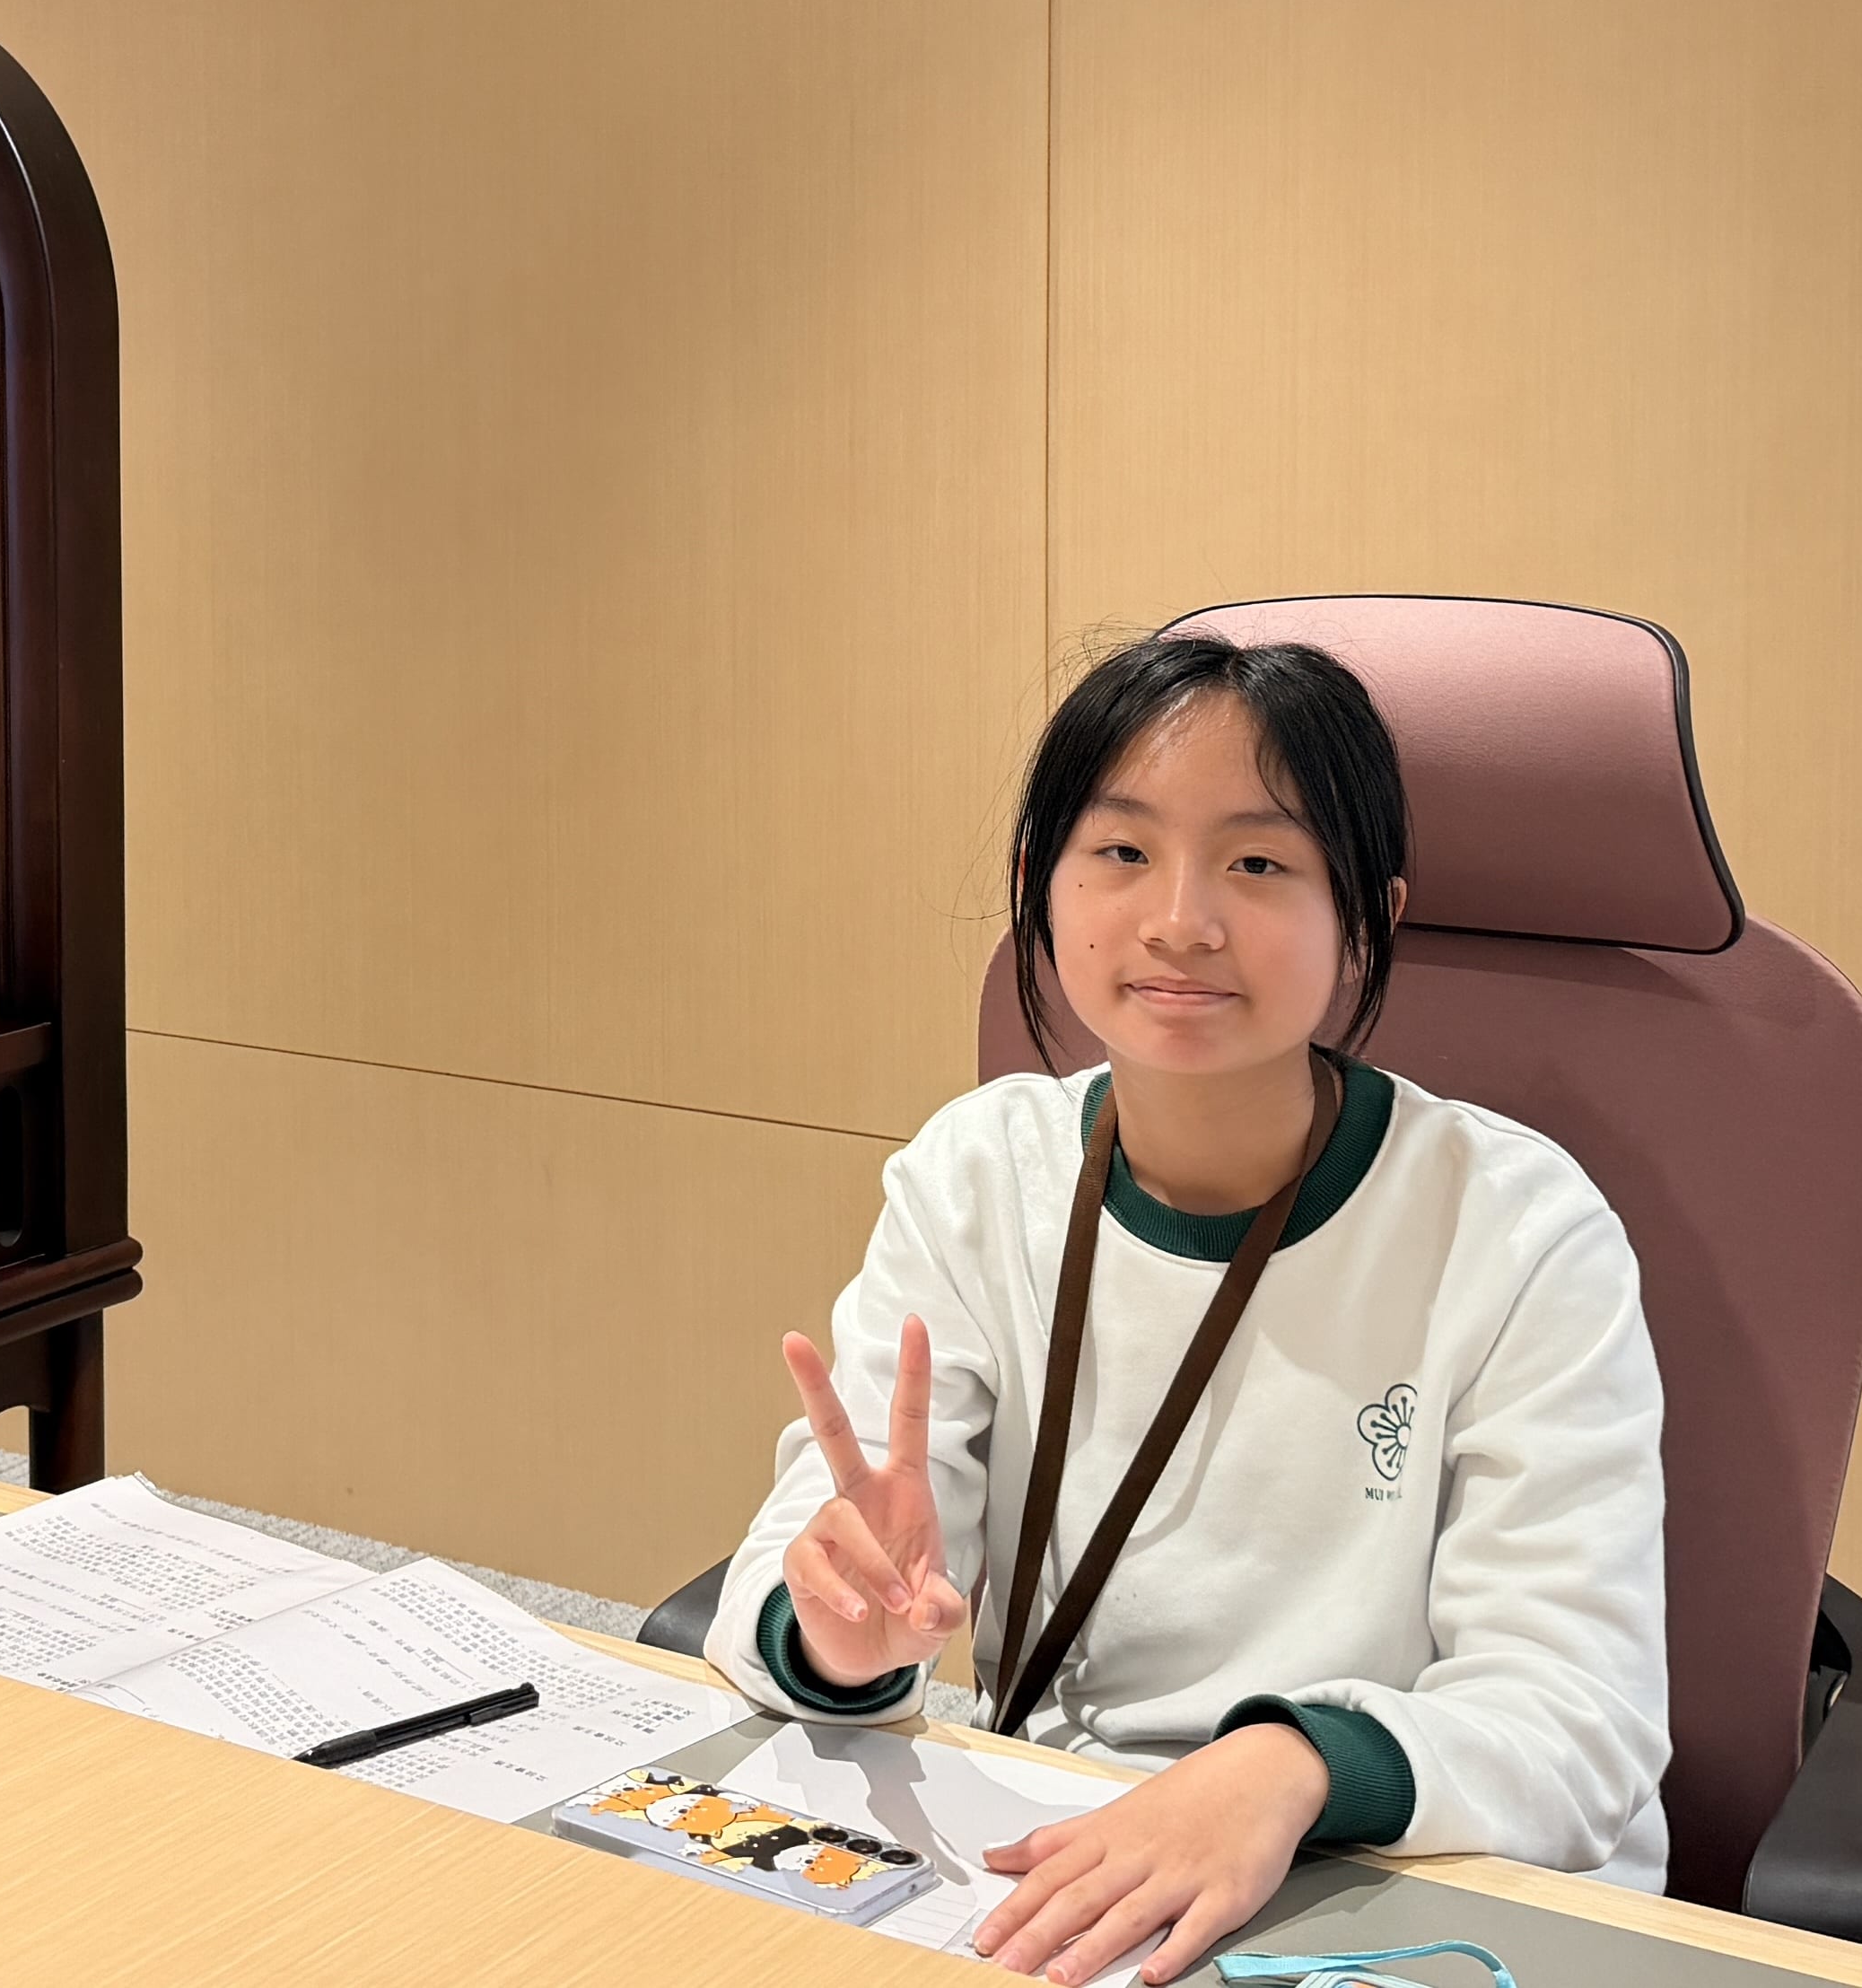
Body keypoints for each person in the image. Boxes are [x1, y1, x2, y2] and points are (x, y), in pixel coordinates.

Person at [710, 633, 1669, 1982]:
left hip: (1397, 1885)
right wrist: (837, 1631)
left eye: (1259, 864)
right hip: (1066, 1855)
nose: (1180, 921)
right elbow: (823, 1553)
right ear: (1042, 886)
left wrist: (1287, 1767)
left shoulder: (1515, 1228)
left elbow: (1580, 1716)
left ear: (1369, 914)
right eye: (1121, 851)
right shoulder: (978, 1173)